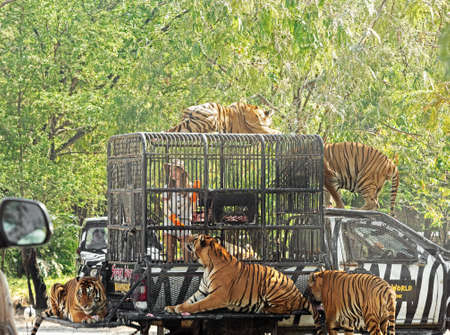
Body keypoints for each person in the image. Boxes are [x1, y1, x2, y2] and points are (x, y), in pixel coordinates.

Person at [162, 160, 196, 262]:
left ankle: (188, 275)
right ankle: (168, 275)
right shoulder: (166, 187)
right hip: (170, 223)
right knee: (170, 254)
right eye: (171, 170)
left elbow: (194, 208)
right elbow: (164, 207)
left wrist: (195, 195)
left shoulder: (189, 187)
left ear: (181, 171)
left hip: (185, 223)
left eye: (175, 170)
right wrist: (172, 217)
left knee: (187, 255)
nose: (172, 173)